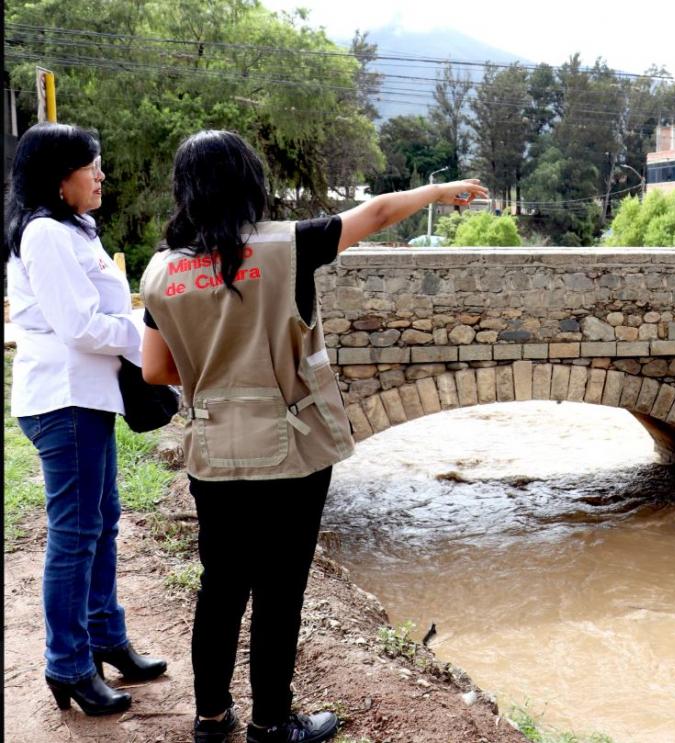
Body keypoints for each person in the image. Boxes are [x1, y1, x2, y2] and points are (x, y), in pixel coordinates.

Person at [139, 130, 487, 743]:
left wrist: (211, 371)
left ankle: (212, 720)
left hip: (213, 450)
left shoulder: (162, 272)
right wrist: (443, 189)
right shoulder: (287, 248)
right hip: (292, 448)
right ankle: (273, 723)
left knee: (220, 588)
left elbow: (156, 371)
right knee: (279, 590)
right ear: (251, 184)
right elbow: (376, 212)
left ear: (185, 191)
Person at [4, 122, 168, 717]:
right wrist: (148, 333)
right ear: (58, 177)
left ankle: (104, 637)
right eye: (91, 165)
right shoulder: (46, 233)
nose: (101, 175)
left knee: (101, 522)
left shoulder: (74, 229)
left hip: (86, 399)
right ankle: (68, 665)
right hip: (63, 401)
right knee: (75, 536)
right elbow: (79, 327)